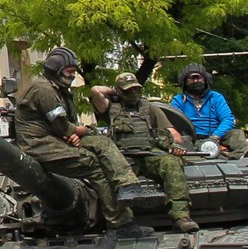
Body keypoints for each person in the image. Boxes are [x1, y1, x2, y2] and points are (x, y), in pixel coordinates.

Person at [12, 46, 150, 238]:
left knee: (101, 143)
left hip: (54, 140)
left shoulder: (56, 89)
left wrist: (73, 133)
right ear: (56, 69)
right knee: (94, 164)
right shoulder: (44, 90)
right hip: (39, 145)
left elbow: (64, 127)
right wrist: (83, 131)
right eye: (69, 72)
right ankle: (120, 224)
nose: (72, 76)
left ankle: (128, 186)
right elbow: (62, 126)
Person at [90, 73, 197, 232]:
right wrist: (115, 93)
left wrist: (175, 144)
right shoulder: (110, 108)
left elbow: (172, 132)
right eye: (128, 90)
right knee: (112, 177)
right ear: (119, 91)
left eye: (136, 90)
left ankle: (181, 217)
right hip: (123, 158)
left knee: (172, 163)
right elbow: (95, 91)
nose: (133, 94)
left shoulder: (149, 108)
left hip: (150, 154)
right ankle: (125, 224)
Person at [171, 63, 248, 155]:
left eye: (198, 78)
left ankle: (241, 156)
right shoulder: (178, 100)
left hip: (216, 136)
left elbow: (228, 119)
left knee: (237, 134)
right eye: (191, 78)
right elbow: (174, 123)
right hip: (190, 139)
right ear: (185, 81)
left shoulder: (216, 97)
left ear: (205, 79)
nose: (195, 81)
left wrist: (215, 137)